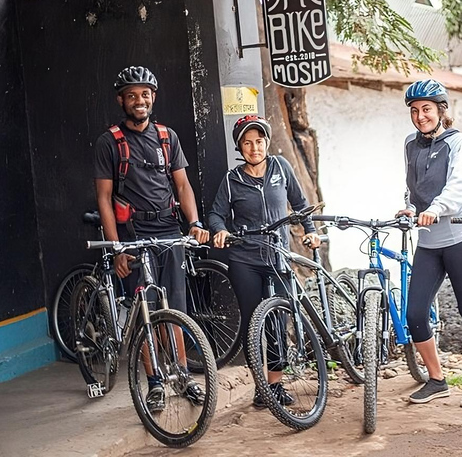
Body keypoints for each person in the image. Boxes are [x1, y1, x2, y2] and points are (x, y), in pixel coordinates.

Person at [94, 65, 210, 412]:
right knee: (144, 307)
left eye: (145, 94)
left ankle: (184, 375)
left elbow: (183, 185)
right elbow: (104, 197)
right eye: (132, 95)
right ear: (121, 100)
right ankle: (155, 382)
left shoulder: (166, 137)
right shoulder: (109, 142)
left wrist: (194, 222)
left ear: (152, 98)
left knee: (174, 306)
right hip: (133, 234)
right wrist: (117, 248)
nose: (139, 100)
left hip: (168, 230)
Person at [207, 115, 321, 407]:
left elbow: (300, 203)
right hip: (244, 259)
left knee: (278, 320)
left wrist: (310, 231)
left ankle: (276, 384)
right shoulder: (232, 180)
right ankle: (261, 389)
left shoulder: (281, 168)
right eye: (247, 142)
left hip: (277, 256)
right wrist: (219, 230)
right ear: (240, 147)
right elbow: (216, 214)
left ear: (267, 143)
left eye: (259, 141)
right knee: (253, 322)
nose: (254, 147)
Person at [397, 79, 462, 408]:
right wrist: (409, 207)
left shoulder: (456, 141)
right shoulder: (410, 144)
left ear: (440, 110)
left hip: (459, 239)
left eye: (426, 109)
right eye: (415, 110)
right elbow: (411, 186)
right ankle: (437, 379)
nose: (420, 116)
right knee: (415, 313)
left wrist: (436, 208)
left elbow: (458, 184)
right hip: (428, 243)